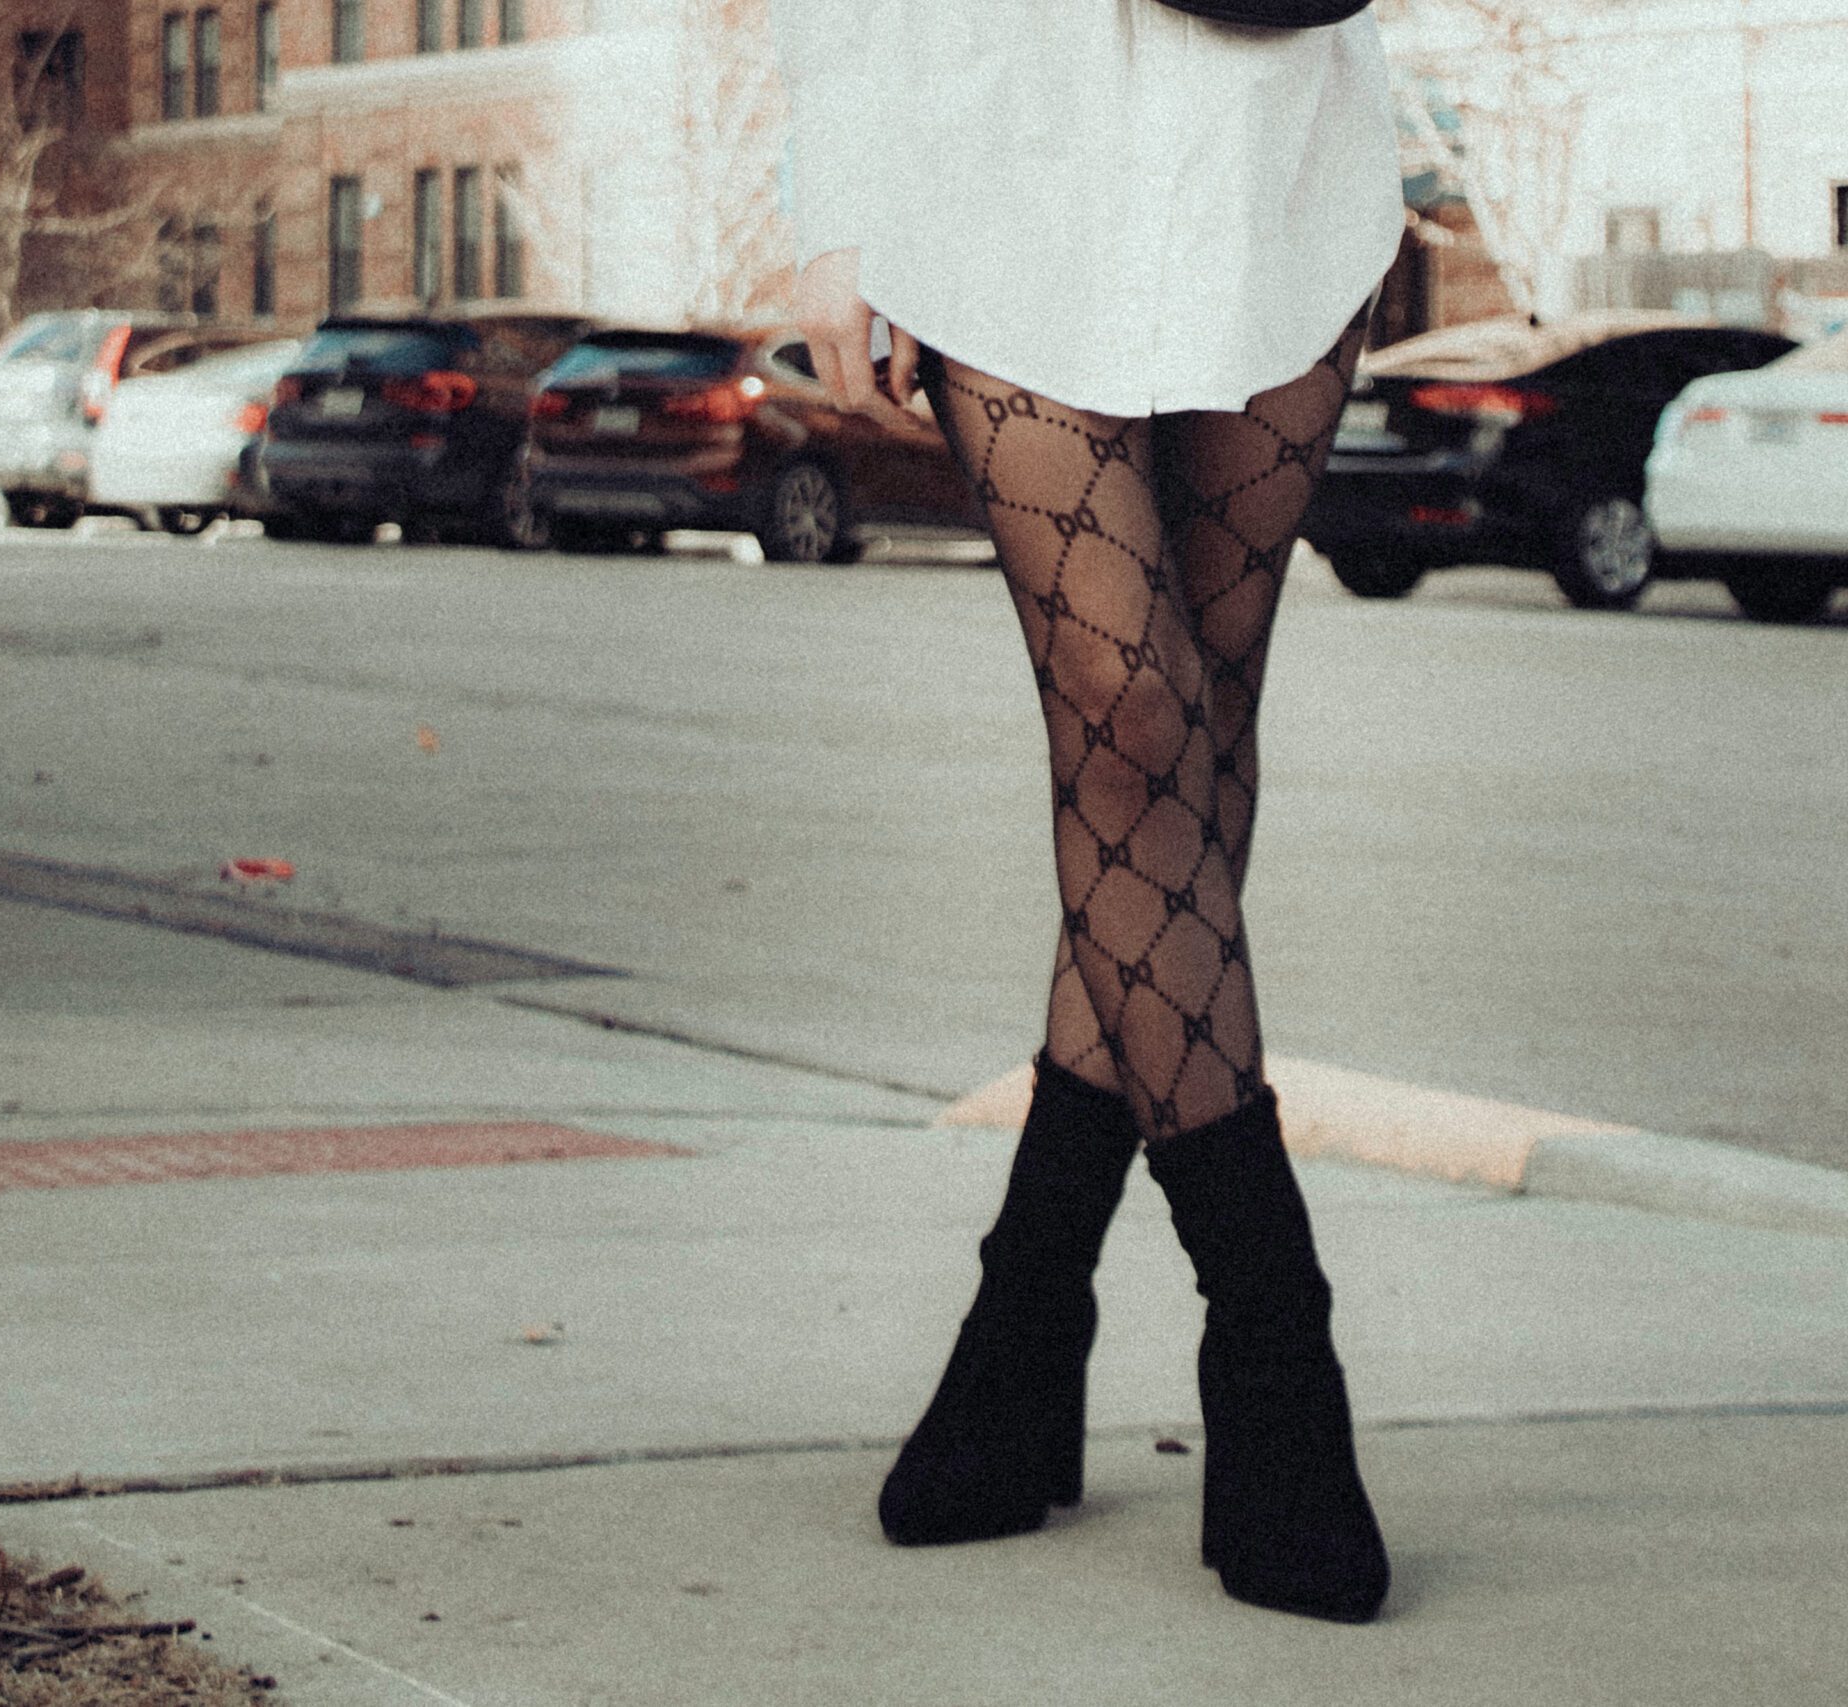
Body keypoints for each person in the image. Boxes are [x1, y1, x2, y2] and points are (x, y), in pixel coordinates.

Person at [771, 0, 1405, 1624]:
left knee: (1202, 727)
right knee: (1131, 714)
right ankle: (1273, 1334)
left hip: (1265, 134)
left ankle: (1024, 1318)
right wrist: (837, 210)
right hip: (1002, 146)